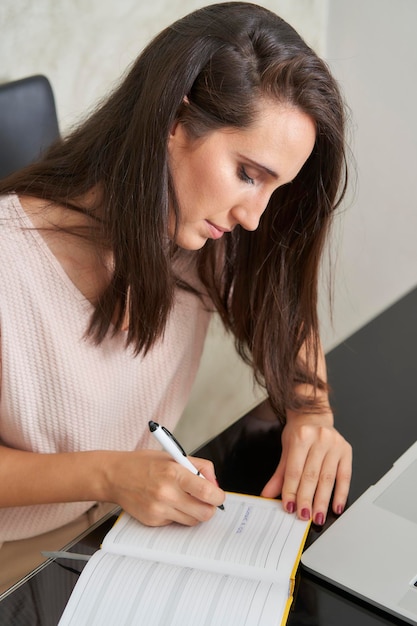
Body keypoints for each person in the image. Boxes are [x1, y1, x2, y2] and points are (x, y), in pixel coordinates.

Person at [0, 1, 352, 546]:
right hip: (16, 563)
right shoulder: (10, 261)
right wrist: (112, 475)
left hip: (122, 530)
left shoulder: (205, 234)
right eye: (247, 174)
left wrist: (312, 413)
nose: (254, 218)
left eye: (275, 189)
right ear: (174, 120)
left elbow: (280, 309)